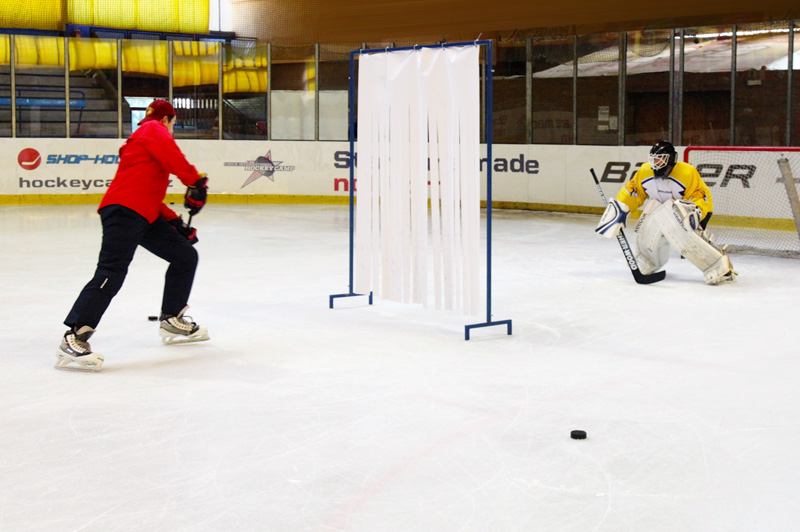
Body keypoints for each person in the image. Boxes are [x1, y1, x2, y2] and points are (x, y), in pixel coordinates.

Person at [55, 99, 211, 371]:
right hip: (126, 211)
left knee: (185, 255)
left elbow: (147, 192)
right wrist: (195, 182)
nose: (171, 130)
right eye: (173, 124)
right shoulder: (153, 129)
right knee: (111, 271)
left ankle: (171, 318)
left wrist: (176, 224)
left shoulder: (142, 141)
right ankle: (75, 335)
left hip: (142, 211)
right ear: (167, 120)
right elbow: (174, 159)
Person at [595, 140, 736, 285]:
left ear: (670, 160)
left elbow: (700, 194)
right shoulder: (645, 171)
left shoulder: (687, 172)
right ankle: (648, 260)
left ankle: (717, 264)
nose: (655, 163)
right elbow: (634, 190)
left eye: (660, 159)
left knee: (679, 224)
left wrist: (694, 212)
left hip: (689, 213)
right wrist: (620, 208)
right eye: (653, 159)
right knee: (647, 223)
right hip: (662, 211)